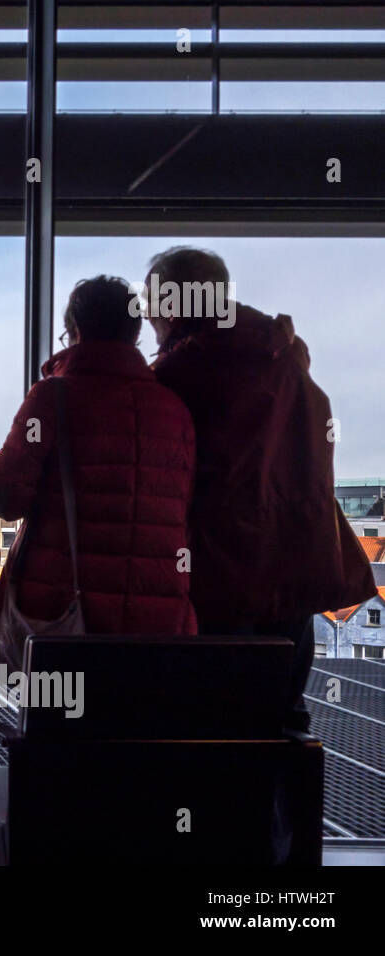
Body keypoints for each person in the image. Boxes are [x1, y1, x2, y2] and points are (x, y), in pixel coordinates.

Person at [145, 246, 375, 731]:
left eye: (152, 307)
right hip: (296, 569)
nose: (150, 322)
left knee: (209, 727)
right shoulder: (286, 359)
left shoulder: (179, 375)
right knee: (283, 723)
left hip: (219, 578)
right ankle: (285, 808)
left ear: (172, 306)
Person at [0, 275, 198, 656]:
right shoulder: (174, 409)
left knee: (56, 712)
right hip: (159, 621)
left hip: (62, 613)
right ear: (134, 333)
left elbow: (4, 497)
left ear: (76, 330)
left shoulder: (53, 397)